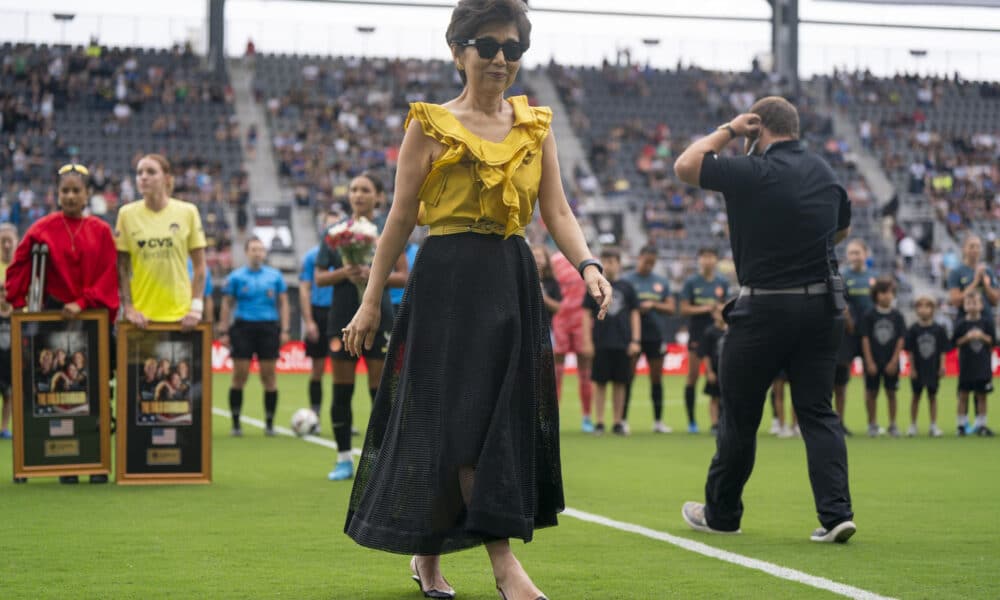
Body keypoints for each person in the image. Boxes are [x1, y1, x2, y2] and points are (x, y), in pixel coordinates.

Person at [340, 1, 612, 597]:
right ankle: (496, 565)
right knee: (451, 424)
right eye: (486, 46)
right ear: (458, 50)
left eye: (512, 48)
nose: (499, 59)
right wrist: (368, 300)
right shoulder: (429, 123)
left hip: (511, 280)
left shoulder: (535, 124)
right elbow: (400, 217)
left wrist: (588, 263)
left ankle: (434, 557)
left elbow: (557, 210)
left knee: (499, 424)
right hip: (445, 281)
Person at [675, 96, 856, 543]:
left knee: (740, 416)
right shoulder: (825, 173)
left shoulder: (751, 170)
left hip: (764, 309)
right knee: (817, 412)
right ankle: (837, 515)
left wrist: (731, 129)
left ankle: (722, 514)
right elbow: (842, 229)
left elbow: (686, 165)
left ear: (761, 130)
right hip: (821, 310)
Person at [4, 163, 120, 483]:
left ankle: (96, 461)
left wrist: (82, 302)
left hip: (92, 316)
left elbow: (109, 275)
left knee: (95, 390)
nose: (70, 196)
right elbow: (18, 268)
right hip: (54, 316)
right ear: (57, 195)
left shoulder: (100, 230)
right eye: (64, 191)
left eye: (75, 191)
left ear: (87, 195)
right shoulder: (42, 228)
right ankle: (65, 460)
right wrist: (18, 304)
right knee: (61, 389)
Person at [314, 173, 408, 482]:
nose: (357, 195)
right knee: (342, 390)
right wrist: (345, 272)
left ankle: (379, 458)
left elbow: (405, 276)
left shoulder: (388, 229)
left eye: (365, 190)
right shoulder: (334, 233)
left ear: (379, 197)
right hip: (341, 315)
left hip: (379, 316)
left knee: (380, 392)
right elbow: (319, 277)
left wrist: (373, 274)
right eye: (353, 189)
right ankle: (343, 459)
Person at [115, 154, 207, 330]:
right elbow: (122, 268)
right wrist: (128, 307)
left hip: (181, 317)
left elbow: (200, 266)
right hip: (140, 318)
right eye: (139, 172)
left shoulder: (188, 212)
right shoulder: (126, 214)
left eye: (151, 172)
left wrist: (196, 308)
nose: (143, 177)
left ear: (167, 179)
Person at [217, 237, 290, 436]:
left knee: (269, 377)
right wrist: (223, 331)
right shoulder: (236, 277)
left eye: (260, 249)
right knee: (239, 376)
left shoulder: (275, 276)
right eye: (253, 249)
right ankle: (236, 423)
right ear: (247, 252)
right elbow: (226, 303)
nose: (257, 253)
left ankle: (269, 423)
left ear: (264, 253)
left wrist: (284, 329)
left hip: (268, 328)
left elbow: (283, 303)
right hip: (243, 328)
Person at [581, 247, 639, 436]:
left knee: (620, 383)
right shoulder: (594, 286)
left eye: (612, 261)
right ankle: (599, 422)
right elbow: (585, 315)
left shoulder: (627, 287)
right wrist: (587, 341)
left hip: (623, 343)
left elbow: (634, 315)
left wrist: (635, 340)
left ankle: (617, 421)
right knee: (600, 383)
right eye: (605, 261)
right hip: (601, 343)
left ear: (619, 264)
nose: (609, 265)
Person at [622, 245, 675, 433]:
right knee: (628, 377)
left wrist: (653, 304)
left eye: (652, 263)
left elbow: (671, 308)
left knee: (656, 378)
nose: (649, 266)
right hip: (632, 336)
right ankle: (622, 421)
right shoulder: (626, 280)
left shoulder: (660, 282)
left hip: (655, 335)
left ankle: (658, 422)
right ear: (639, 257)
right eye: (646, 261)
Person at [679, 247, 729, 433]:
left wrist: (719, 309)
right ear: (699, 260)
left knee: (719, 377)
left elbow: (725, 307)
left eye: (711, 257)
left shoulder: (722, 282)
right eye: (704, 257)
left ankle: (719, 422)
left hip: (718, 335)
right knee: (692, 376)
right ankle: (691, 421)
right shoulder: (692, 282)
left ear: (716, 260)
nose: (708, 260)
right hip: (697, 334)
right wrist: (707, 308)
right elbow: (683, 309)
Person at [299, 212, 338, 432]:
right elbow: (304, 290)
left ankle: (341, 417)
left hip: (342, 314)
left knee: (344, 370)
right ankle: (315, 416)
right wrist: (309, 321)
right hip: (319, 314)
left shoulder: (348, 253)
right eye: (328, 227)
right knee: (317, 369)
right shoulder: (312, 256)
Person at [833, 239, 875, 435]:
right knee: (840, 382)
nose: (855, 256)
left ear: (865, 254)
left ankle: (872, 424)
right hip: (847, 334)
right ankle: (838, 422)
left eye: (858, 252)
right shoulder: (842, 277)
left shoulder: (873, 278)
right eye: (851, 253)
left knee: (871, 379)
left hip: (869, 334)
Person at [551, 250, 596, 431]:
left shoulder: (589, 259)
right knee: (555, 373)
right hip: (560, 320)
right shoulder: (554, 260)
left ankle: (586, 417)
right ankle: (553, 418)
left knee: (585, 372)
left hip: (582, 321)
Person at [860, 278, 906, 438]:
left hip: (891, 361)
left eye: (890, 292)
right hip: (873, 360)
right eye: (883, 292)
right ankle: (872, 424)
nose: (887, 296)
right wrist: (869, 361)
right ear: (876, 295)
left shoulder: (898, 316)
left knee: (891, 392)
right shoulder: (869, 315)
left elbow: (901, 339)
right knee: (871, 392)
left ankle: (893, 424)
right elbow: (865, 338)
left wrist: (894, 360)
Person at [905, 295, 948, 437]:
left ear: (932, 309)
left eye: (927, 306)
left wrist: (942, 366)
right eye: (920, 306)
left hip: (933, 368)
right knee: (915, 396)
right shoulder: (913, 329)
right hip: (918, 368)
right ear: (916, 309)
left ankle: (933, 425)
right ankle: (913, 425)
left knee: (932, 396)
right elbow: (910, 351)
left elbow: (942, 350)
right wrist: (912, 368)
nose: (924, 309)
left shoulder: (938, 329)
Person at [952, 291, 995, 437]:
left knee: (982, 395)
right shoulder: (961, 324)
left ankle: (981, 424)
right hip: (966, 367)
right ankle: (961, 425)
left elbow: (993, 341)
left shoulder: (986, 323)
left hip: (982, 366)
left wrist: (982, 337)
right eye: (969, 303)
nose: (972, 305)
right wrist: (966, 338)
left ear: (981, 305)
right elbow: (954, 342)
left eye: (975, 302)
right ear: (964, 306)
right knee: (963, 395)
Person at [948, 234, 999, 322]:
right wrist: (975, 282)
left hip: (986, 320)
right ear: (964, 249)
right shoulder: (956, 272)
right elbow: (955, 301)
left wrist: (985, 283)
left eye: (978, 247)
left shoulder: (988, 271)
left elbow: (995, 301)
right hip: (964, 321)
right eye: (971, 246)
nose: (975, 250)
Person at [698, 303, 727, 436]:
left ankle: (726, 423)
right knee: (714, 398)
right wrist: (709, 371)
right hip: (715, 370)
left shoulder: (732, 330)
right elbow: (705, 354)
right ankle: (714, 424)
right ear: (714, 314)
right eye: (718, 311)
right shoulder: (709, 332)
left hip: (728, 369)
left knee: (728, 398)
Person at [0, 224, 17, 440]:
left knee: (10, 390)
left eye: (9, 241)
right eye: (2, 241)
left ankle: (5, 427)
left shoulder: (20, 266)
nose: (5, 245)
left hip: (14, 327)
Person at [531, 244, 562, 332]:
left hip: (547, 329)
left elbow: (559, 308)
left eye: (539, 256)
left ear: (546, 260)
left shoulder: (552, 281)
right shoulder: (523, 280)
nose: (537, 260)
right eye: (534, 256)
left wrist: (541, 295)